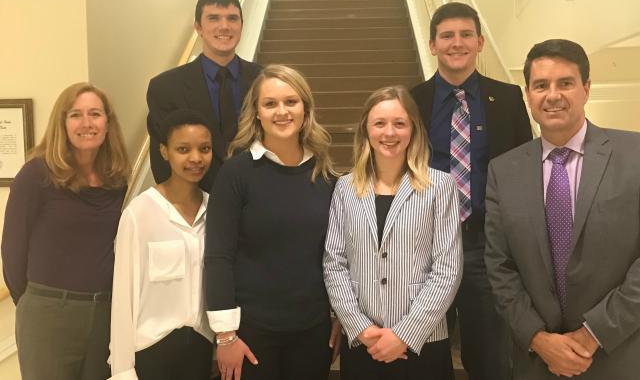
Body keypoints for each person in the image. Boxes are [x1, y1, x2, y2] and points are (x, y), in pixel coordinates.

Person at [484, 39, 640, 379]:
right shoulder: (503, 171)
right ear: (528, 95)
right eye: (541, 85)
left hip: (624, 355)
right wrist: (538, 338)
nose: (552, 95)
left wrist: (592, 335)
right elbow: (499, 266)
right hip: (538, 362)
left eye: (565, 83)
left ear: (586, 89)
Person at [409, 2, 533, 380]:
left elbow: (523, 173)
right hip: (425, 246)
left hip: (485, 245)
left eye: (465, 35)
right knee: (425, 354)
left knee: (491, 357)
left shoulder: (509, 98)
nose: (456, 43)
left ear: (480, 42)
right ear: (432, 45)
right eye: (447, 36)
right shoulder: (411, 101)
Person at [204, 64, 339, 380]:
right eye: (270, 103)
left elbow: (336, 257)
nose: (282, 111)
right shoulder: (235, 174)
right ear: (257, 113)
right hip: (251, 334)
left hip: (313, 331)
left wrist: (338, 317)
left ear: (305, 109)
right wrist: (225, 336)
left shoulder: (325, 176)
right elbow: (218, 257)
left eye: (291, 102)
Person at [324, 86, 463, 379]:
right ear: (366, 130)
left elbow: (447, 269)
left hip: (422, 341)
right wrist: (359, 327)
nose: (390, 133)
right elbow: (334, 263)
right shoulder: (345, 188)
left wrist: (404, 334)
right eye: (380, 123)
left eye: (399, 123)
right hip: (365, 341)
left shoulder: (440, 186)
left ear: (413, 129)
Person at [1, 82, 130, 380]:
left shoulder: (119, 180)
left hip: (105, 315)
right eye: (76, 115)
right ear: (62, 123)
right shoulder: (36, 175)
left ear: (108, 123)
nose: (87, 123)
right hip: (49, 315)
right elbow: (13, 251)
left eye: (95, 114)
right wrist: (40, 303)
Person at [109, 109, 215, 379]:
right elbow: (123, 295)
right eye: (183, 149)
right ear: (165, 151)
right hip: (151, 352)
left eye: (204, 149)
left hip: (202, 349)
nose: (195, 158)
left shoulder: (214, 210)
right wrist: (123, 369)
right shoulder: (140, 213)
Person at [147, 0, 261, 191]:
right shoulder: (165, 88)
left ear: (241, 25)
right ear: (198, 27)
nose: (224, 26)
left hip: (258, 203)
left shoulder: (264, 80)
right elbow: (162, 163)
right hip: (197, 209)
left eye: (232, 18)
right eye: (213, 18)